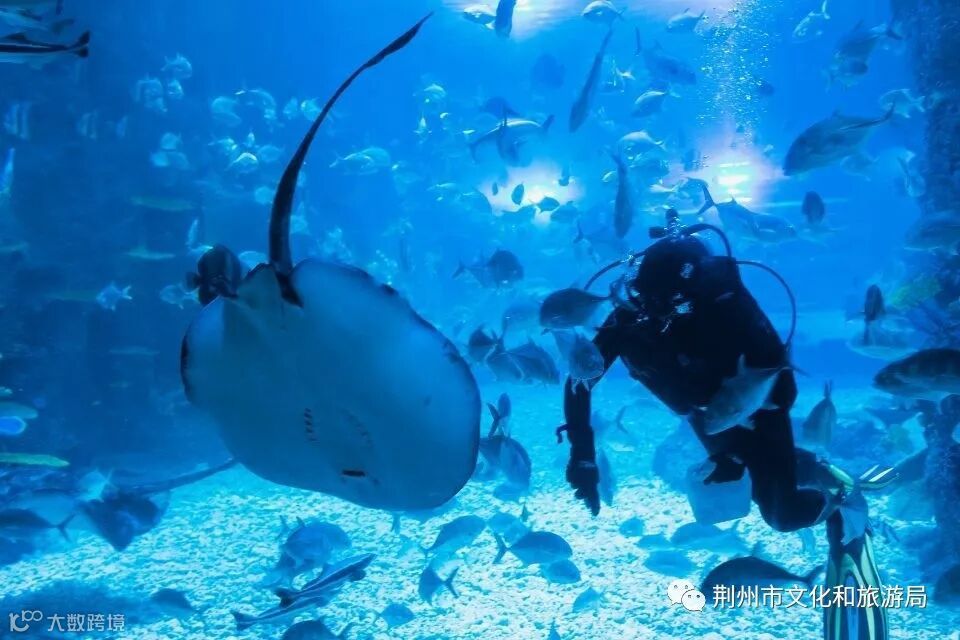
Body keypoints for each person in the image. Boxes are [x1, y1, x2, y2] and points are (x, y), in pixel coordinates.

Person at [557, 211, 891, 639]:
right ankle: (802, 466)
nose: (654, 312)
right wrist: (583, 456)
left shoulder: (725, 306)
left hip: (759, 411)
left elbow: (781, 381)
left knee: (782, 515)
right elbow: (580, 380)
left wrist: (748, 432)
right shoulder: (630, 317)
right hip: (707, 417)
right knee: (742, 489)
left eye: (667, 302)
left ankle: (840, 505)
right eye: (645, 299)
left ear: (690, 292)